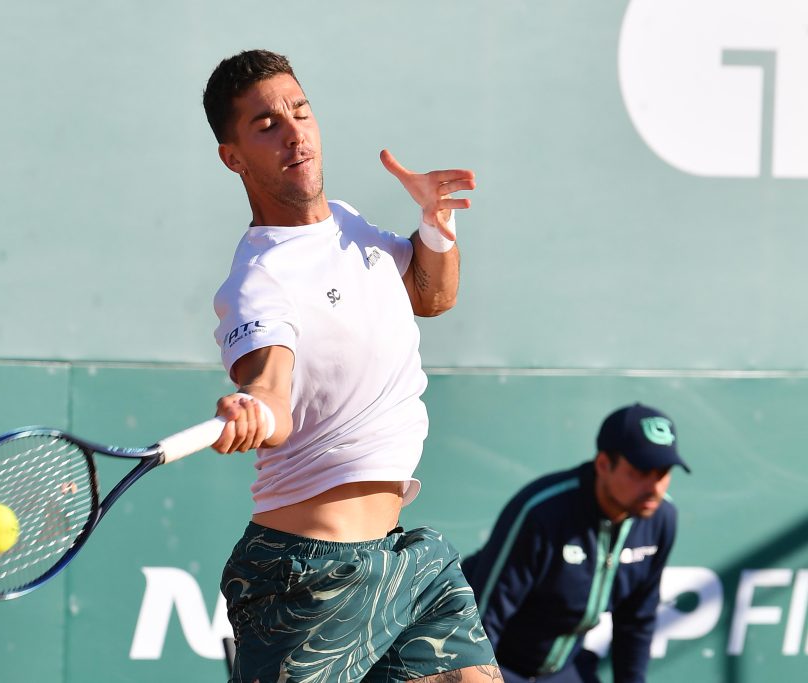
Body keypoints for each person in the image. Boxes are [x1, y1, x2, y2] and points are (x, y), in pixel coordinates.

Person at [202, 49, 502, 682]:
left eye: (300, 112)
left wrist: (435, 225)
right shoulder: (259, 278)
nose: (294, 133)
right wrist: (253, 404)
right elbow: (271, 387)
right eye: (266, 126)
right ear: (234, 157)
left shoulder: (348, 226)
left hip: (403, 561)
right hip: (306, 578)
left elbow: (431, 296)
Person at [460, 403, 690, 683]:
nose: (655, 487)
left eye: (663, 472)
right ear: (604, 465)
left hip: (564, 671)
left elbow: (636, 622)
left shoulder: (661, 519)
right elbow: (483, 621)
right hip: (498, 664)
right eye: (642, 471)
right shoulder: (542, 512)